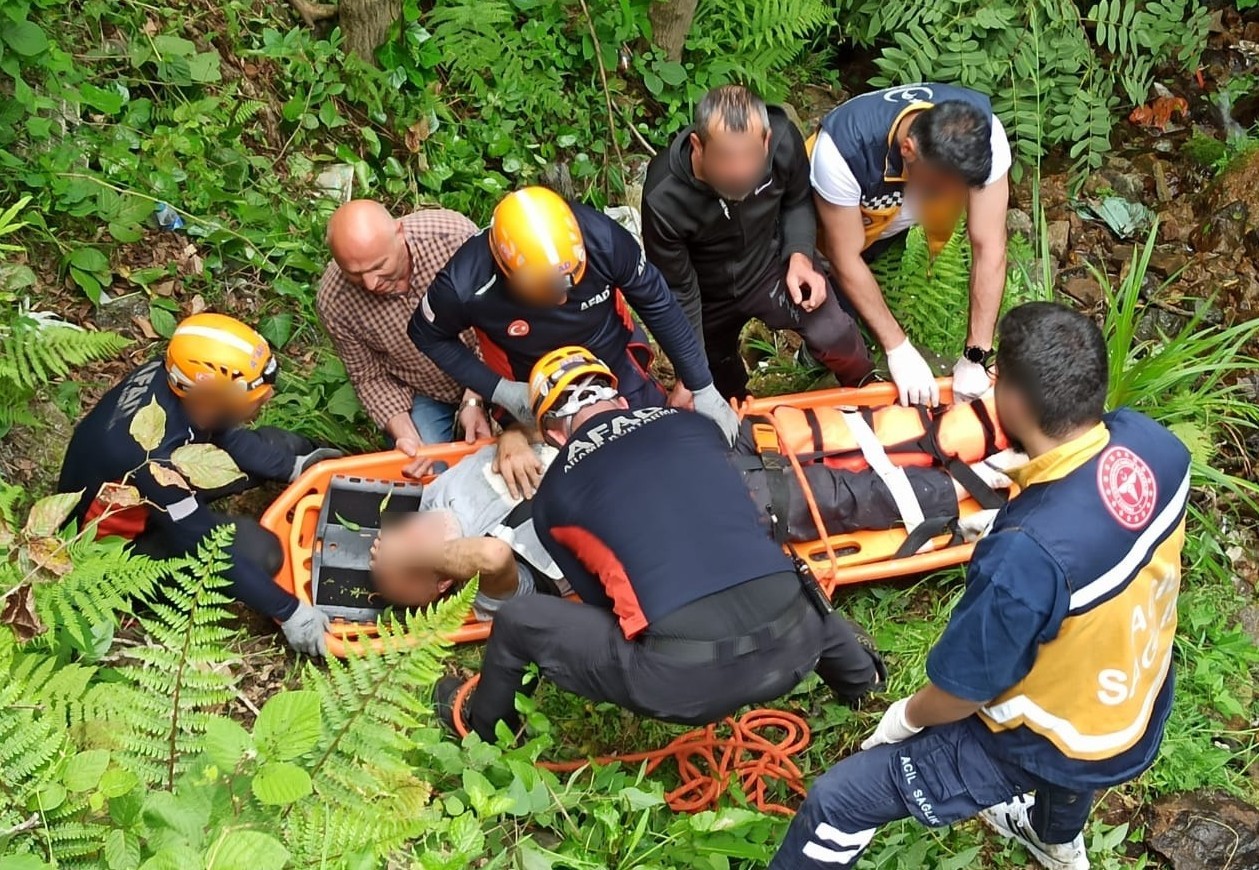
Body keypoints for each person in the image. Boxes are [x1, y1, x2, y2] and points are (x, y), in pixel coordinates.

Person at [771, 302, 1191, 870]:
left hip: (1047, 734)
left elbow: (963, 694)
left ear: (1011, 399)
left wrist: (906, 718)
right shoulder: (1156, 447)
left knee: (838, 802)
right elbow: (1093, 520)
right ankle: (1053, 838)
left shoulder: (1023, 558)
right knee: (1075, 768)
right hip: (1133, 702)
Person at [436, 346, 887, 743]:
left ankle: (485, 729)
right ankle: (860, 679)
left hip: (685, 684)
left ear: (553, 433)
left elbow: (602, 603)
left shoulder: (552, 494)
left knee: (518, 620)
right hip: (798, 644)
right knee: (776, 571)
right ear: (620, 398)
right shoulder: (693, 425)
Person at [370, 346, 1022, 617]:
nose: (389, 542)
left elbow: (514, 435)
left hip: (660, 442)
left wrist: (511, 434)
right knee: (829, 496)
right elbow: (488, 557)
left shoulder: (438, 493)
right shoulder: (489, 586)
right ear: (437, 579)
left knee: (813, 436)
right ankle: (976, 489)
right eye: (395, 564)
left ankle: (958, 430)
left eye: (386, 545)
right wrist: (417, 556)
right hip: (696, 509)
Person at [407, 186, 740, 496]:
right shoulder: (465, 283)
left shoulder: (603, 239)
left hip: (612, 361)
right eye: (546, 290)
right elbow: (427, 334)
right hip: (529, 386)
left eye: (568, 285)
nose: (561, 299)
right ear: (507, 269)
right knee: (573, 483)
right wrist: (499, 390)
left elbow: (657, 302)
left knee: (659, 449)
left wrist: (701, 384)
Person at [57, 314, 344, 656]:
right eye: (256, 394)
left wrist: (293, 468)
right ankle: (150, 592)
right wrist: (291, 613)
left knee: (283, 446)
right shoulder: (152, 461)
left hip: (160, 485)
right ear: (210, 396)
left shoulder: (179, 386)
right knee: (259, 551)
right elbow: (205, 544)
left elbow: (222, 433)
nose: (266, 399)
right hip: (115, 544)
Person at [642, 84, 873, 400]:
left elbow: (797, 200)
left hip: (770, 266)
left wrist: (800, 254)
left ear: (765, 140)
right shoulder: (664, 196)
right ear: (697, 145)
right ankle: (741, 421)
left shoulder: (782, 142)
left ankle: (868, 393)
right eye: (725, 156)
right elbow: (678, 288)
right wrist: (691, 373)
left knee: (834, 333)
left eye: (750, 154)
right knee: (713, 382)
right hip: (706, 294)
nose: (739, 171)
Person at [810, 83, 1012, 407]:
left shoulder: (983, 137)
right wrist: (899, 349)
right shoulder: (842, 150)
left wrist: (975, 355)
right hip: (831, 229)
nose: (948, 196)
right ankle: (815, 363)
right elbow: (842, 256)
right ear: (908, 151)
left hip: (889, 225)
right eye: (936, 188)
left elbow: (989, 246)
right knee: (831, 323)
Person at [318, 200, 491, 478]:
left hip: (490, 363)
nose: (371, 284)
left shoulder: (453, 238)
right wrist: (407, 437)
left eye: (379, 266)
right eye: (354, 274)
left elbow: (502, 318)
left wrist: (475, 397)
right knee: (427, 470)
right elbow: (369, 377)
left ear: (400, 232)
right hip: (423, 390)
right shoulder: (334, 300)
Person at [368, 439, 565, 621]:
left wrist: (514, 438)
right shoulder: (481, 588)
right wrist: (410, 555)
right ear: (444, 581)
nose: (410, 532)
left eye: (400, 534)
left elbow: (530, 424)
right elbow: (495, 555)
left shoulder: (432, 498)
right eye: (412, 557)